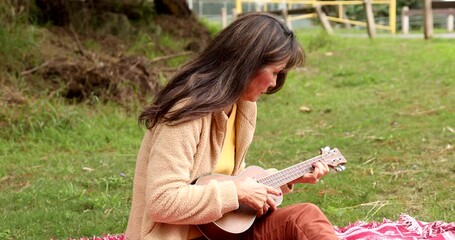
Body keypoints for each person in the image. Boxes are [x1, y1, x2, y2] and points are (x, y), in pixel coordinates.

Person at [125, 12, 339, 240]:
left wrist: (289, 178)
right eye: (274, 72)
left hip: (222, 232)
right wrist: (237, 192)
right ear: (249, 63)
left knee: (304, 217)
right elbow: (162, 201)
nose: (275, 83)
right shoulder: (186, 112)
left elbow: (232, 181)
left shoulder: (243, 106)